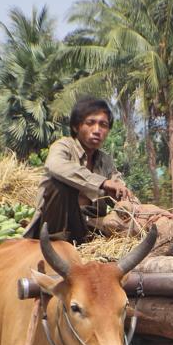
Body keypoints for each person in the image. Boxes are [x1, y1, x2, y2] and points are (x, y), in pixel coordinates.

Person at [24, 98, 133, 244]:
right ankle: (56, 244)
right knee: (58, 183)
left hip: (88, 228)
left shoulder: (105, 161)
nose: (97, 130)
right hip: (55, 226)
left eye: (103, 125)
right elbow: (55, 165)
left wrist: (145, 211)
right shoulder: (63, 146)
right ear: (76, 127)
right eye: (90, 123)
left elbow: (120, 190)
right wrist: (102, 183)